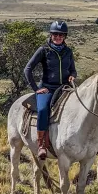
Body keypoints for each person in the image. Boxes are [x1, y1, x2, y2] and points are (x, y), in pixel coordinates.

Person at [24, 20, 77, 160]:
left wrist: (72, 76)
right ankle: (41, 144)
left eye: (61, 35)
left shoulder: (68, 51)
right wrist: (36, 89)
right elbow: (28, 69)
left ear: (65, 36)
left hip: (64, 88)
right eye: (55, 34)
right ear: (51, 35)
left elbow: (73, 70)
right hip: (47, 88)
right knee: (42, 110)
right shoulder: (43, 50)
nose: (58, 37)